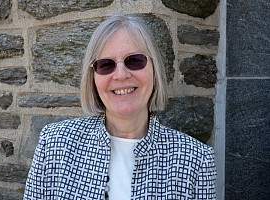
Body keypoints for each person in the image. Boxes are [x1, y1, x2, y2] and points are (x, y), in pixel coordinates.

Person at [24, 14, 216, 199]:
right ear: (93, 78)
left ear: (154, 69)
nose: (121, 75)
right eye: (106, 65)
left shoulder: (196, 162)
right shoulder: (55, 145)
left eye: (134, 60)